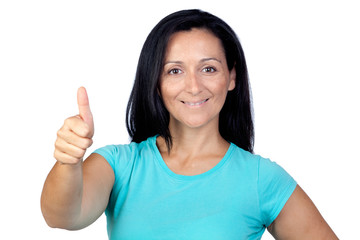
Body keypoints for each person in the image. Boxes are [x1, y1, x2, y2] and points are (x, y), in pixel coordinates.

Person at [41, 9, 338, 239]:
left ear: (232, 77)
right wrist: (68, 162)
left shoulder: (262, 180)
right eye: (174, 71)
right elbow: (62, 217)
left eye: (208, 68)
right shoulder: (119, 165)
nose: (194, 86)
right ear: (155, 82)